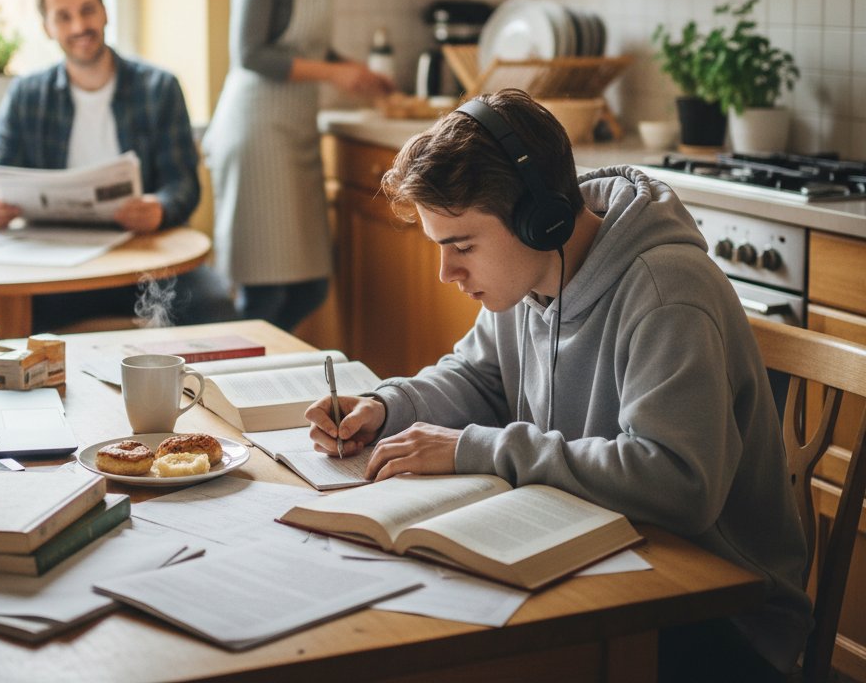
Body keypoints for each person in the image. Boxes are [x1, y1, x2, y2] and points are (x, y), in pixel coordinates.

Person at [305, 88, 811, 682]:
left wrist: (476, 448)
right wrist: (387, 407)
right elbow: (478, 374)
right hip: (605, 551)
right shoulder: (526, 279)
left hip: (718, 611)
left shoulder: (666, 291)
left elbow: (678, 483)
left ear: (539, 218)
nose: (447, 274)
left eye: (462, 246)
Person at [0, 0, 235, 331]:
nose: (79, 27)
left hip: (145, 262)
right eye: (64, 17)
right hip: (57, 267)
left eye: (88, 10)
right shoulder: (27, 95)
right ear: (47, 27)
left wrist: (159, 207)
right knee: (8, 319)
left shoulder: (159, 88)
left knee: (214, 306)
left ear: (105, 11)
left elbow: (184, 185)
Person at [203, 0, 393, 331]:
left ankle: (261, 364)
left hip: (295, 131)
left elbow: (309, 45)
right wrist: (334, 76)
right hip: (256, 134)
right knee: (264, 286)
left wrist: (353, 70)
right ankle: (241, 382)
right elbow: (251, 54)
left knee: (310, 284)